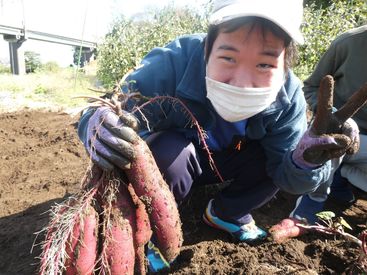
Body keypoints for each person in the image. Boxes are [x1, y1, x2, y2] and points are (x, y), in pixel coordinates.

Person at [77, 0, 358, 271]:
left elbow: (291, 181)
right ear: (207, 47)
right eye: (228, 57)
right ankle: (153, 229)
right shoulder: (175, 61)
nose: (242, 82)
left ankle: (226, 212)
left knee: (280, 158)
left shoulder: (289, 97)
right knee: (166, 151)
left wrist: (305, 161)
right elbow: (108, 106)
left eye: (264, 65)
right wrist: (97, 124)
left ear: (285, 62)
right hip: (178, 160)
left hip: (234, 159)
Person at [289, 25, 367, 224]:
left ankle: (342, 176)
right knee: (331, 136)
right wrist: (331, 116)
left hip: (365, 144)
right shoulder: (349, 43)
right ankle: (314, 198)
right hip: (336, 131)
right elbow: (312, 86)